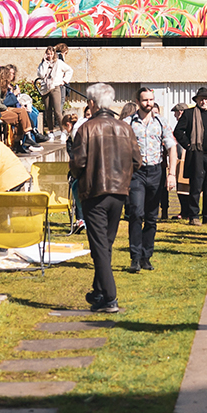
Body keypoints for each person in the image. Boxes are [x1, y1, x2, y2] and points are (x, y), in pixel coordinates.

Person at [69, 83, 140, 313]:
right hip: (119, 192)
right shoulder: (125, 128)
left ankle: (110, 297)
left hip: (95, 191)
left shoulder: (87, 128)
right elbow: (137, 161)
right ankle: (99, 291)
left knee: (99, 245)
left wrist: (77, 175)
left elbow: (78, 162)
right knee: (105, 244)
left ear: (92, 103)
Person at [125, 87, 176, 271]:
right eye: (145, 100)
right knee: (136, 213)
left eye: (151, 99)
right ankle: (135, 257)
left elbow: (172, 147)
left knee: (152, 217)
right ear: (138, 102)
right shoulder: (128, 122)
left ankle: (147, 256)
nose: (149, 103)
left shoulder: (161, 122)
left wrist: (171, 174)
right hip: (136, 172)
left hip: (156, 172)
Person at [173, 88, 207, 225]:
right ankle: (193, 216)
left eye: (206, 99)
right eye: (201, 99)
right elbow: (178, 131)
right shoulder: (189, 114)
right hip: (196, 154)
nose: (203, 101)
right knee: (195, 186)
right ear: (196, 100)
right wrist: (188, 145)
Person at [36, 43, 74, 134]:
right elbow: (40, 75)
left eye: (51, 54)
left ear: (54, 54)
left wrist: (64, 81)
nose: (50, 56)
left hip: (55, 86)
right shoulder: (43, 63)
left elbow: (69, 70)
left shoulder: (59, 63)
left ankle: (63, 131)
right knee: (48, 111)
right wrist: (45, 63)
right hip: (45, 88)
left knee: (57, 111)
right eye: (48, 54)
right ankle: (51, 131)